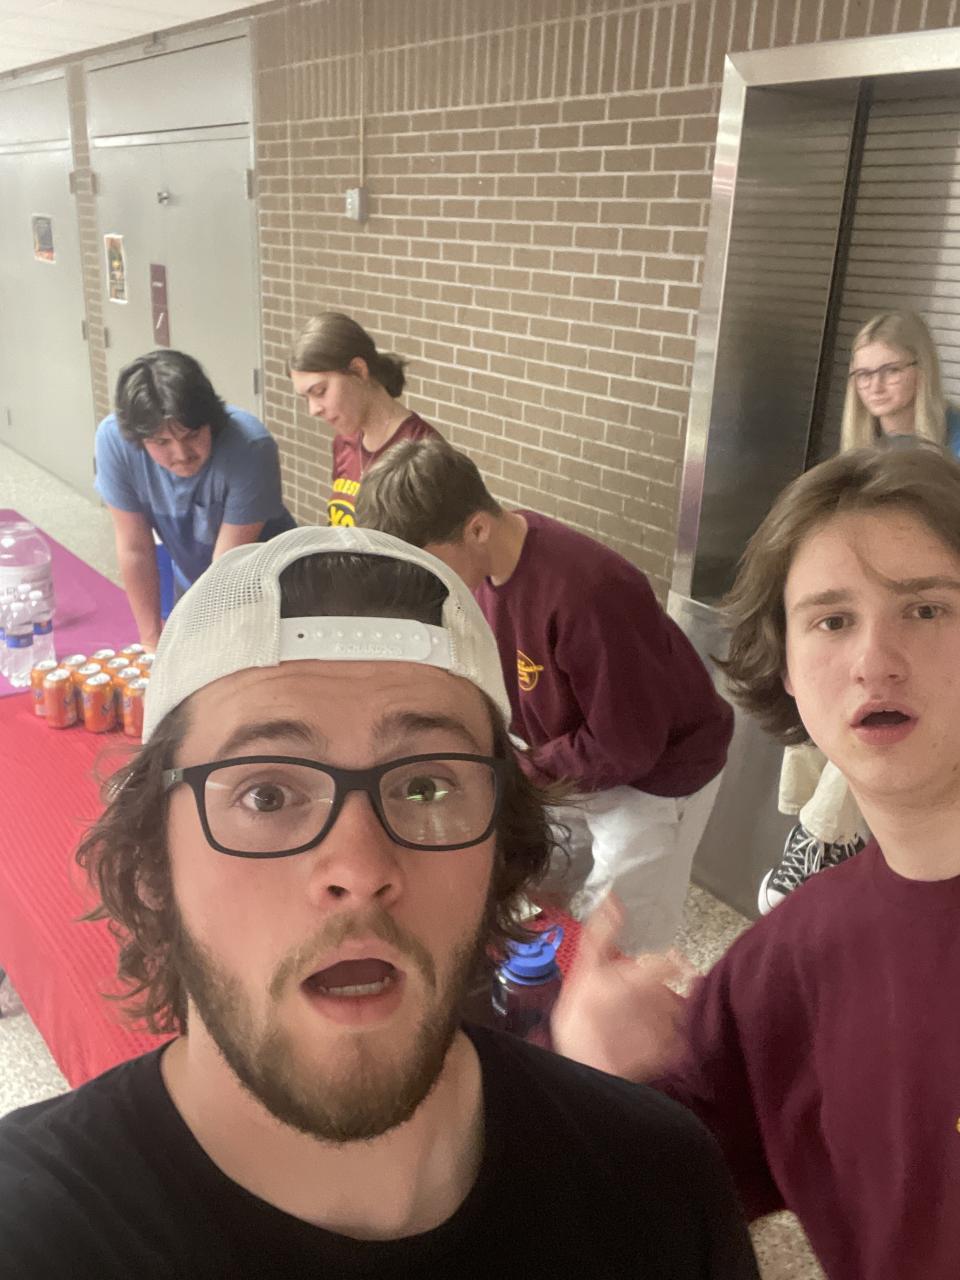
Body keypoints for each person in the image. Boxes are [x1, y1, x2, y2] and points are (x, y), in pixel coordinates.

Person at [0, 526, 758, 1279]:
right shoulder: (32, 1231)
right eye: (267, 795)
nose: (360, 869)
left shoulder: (656, 1187)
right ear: (151, 868)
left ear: (502, 855)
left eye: (426, 786)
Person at [553, 446, 960, 1280]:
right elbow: (666, 1181)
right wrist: (608, 1073)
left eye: (926, 610)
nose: (875, 661)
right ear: (787, 667)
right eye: (832, 620)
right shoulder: (788, 964)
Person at [355, 439, 734, 955]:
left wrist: (518, 771)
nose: (429, 584)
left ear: (477, 529)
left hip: (658, 776)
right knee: (535, 877)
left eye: (429, 565)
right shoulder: (480, 571)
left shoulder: (591, 591)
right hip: (576, 754)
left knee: (617, 940)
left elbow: (627, 746)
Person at [763, 310, 960, 911]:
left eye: (890, 370)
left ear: (922, 370)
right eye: (863, 374)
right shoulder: (857, 456)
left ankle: (818, 846)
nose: (876, 386)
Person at [95, 350, 296, 650]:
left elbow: (226, 569)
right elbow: (135, 548)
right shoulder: (114, 441)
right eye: (161, 442)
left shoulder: (251, 447)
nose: (181, 454)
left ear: (210, 422)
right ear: (138, 439)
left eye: (192, 435)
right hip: (194, 582)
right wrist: (152, 644)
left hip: (268, 588)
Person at [288, 312, 442, 527]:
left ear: (359, 370)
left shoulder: (423, 453)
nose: (313, 409)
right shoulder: (344, 444)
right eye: (306, 398)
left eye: (320, 391)